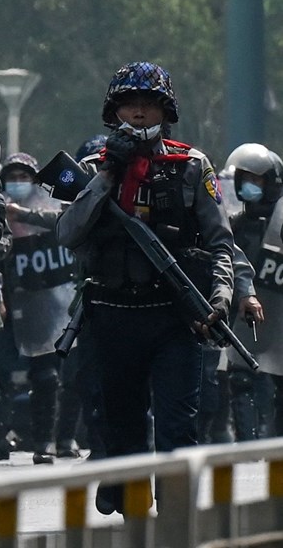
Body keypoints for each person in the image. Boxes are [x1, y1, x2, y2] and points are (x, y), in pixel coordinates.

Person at [56, 61, 236, 515]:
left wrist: (222, 295)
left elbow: (220, 242)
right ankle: (136, 522)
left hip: (175, 318)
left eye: (148, 105)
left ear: (165, 111)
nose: (138, 114)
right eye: (130, 105)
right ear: (114, 111)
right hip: (111, 316)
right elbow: (68, 233)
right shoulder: (92, 168)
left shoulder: (192, 165)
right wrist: (107, 176)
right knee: (123, 429)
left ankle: (176, 524)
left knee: (178, 427)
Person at [0, 153, 81, 464]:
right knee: (41, 376)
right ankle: (40, 440)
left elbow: (66, 221)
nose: (17, 183)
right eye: (12, 178)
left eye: (24, 177)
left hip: (63, 302)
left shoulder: (51, 207)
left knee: (72, 374)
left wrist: (25, 215)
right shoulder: (0, 211)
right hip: (23, 306)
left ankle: (66, 437)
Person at [222, 143, 273, 439]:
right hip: (243, 309)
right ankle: (246, 439)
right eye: (246, 180)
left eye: (258, 180)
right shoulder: (236, 225)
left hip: (275, 311)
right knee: (240, 375)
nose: (251, 186)